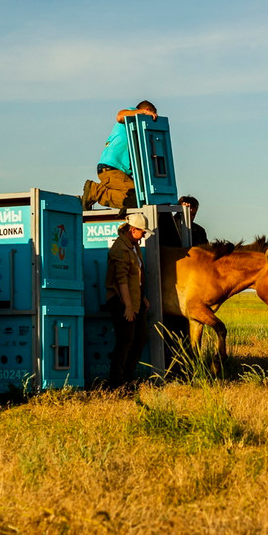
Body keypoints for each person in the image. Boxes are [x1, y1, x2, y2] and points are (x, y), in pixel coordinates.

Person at [82, 101, 158, 210]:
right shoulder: (132, 114)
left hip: (118, 171)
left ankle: (100, 192)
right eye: (152, 115)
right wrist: (143, 112)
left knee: (141, 198)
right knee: (135, 199)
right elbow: (120, 116)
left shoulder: (137, 131)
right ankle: (95, 191)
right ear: (147, 110)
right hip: (112, 168)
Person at [105, 213, 152, 389]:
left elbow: (135, 278)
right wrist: (129, 306)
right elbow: (121, 280)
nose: (144, 235)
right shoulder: (119, 249)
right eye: (143, 232)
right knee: (125, 340)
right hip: (120, 300)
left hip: (134, 299)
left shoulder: (133, 246)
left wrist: (142, 297)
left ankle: (128, 377)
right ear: (133, 230)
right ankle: (117, 382)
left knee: (141, 337)